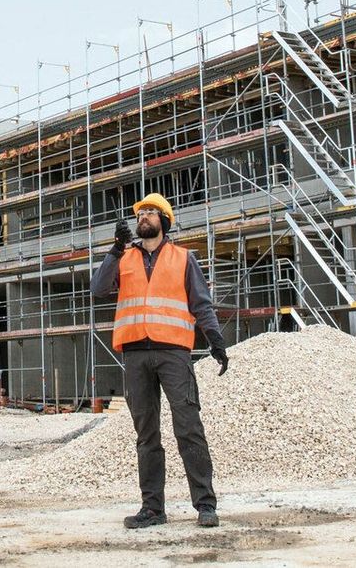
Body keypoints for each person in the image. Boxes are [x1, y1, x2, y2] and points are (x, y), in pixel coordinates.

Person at [90, 193, 228, 530]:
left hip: (173, 354)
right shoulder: (123, 257)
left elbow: (201, 304)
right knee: (146, 435)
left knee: (189, 427)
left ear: (164, 220)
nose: (144, 216)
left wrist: (216, 341)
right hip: (136, 355)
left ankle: (205, 505)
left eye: (151, 211)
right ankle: (153, 509)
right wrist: (115, 249)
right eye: (140, 212)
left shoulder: (183, 258)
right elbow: (97, 290)